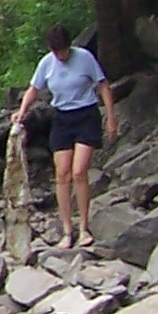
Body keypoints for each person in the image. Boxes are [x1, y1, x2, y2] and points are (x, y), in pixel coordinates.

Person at [13, 24, 116, 247]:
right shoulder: (47, 63)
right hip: (62, 118)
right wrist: (22, 112)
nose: (60, 56)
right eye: (56, 52)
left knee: (79, 171)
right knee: (62, 174)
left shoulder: (84, 58)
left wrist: (111, 117)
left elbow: (103, 86)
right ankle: (67, 230)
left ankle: (84, 227)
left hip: (86, 115)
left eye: (63, 51)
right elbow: (33, 89)